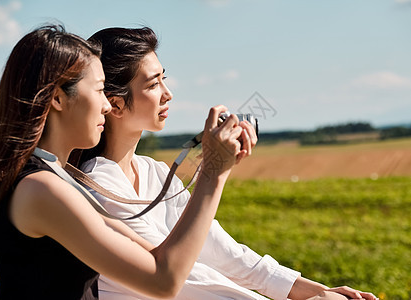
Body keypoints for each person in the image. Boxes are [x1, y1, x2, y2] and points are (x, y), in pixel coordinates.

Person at [78, 27, 378, 300]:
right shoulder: (99, 185)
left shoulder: (154, 171)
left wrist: (313, 290)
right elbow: (185, 280)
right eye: (154, 85)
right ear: (115, 104)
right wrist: (214, 171)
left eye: (164, 80)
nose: (168, 94)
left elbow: (221, 252)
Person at [0, 25, 248, 300]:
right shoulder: (40, 189)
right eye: (100, 90)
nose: (107, 105)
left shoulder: (58, 177)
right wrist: (214, 173)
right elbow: (163, 280)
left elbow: (155, 255)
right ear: (57, 98)